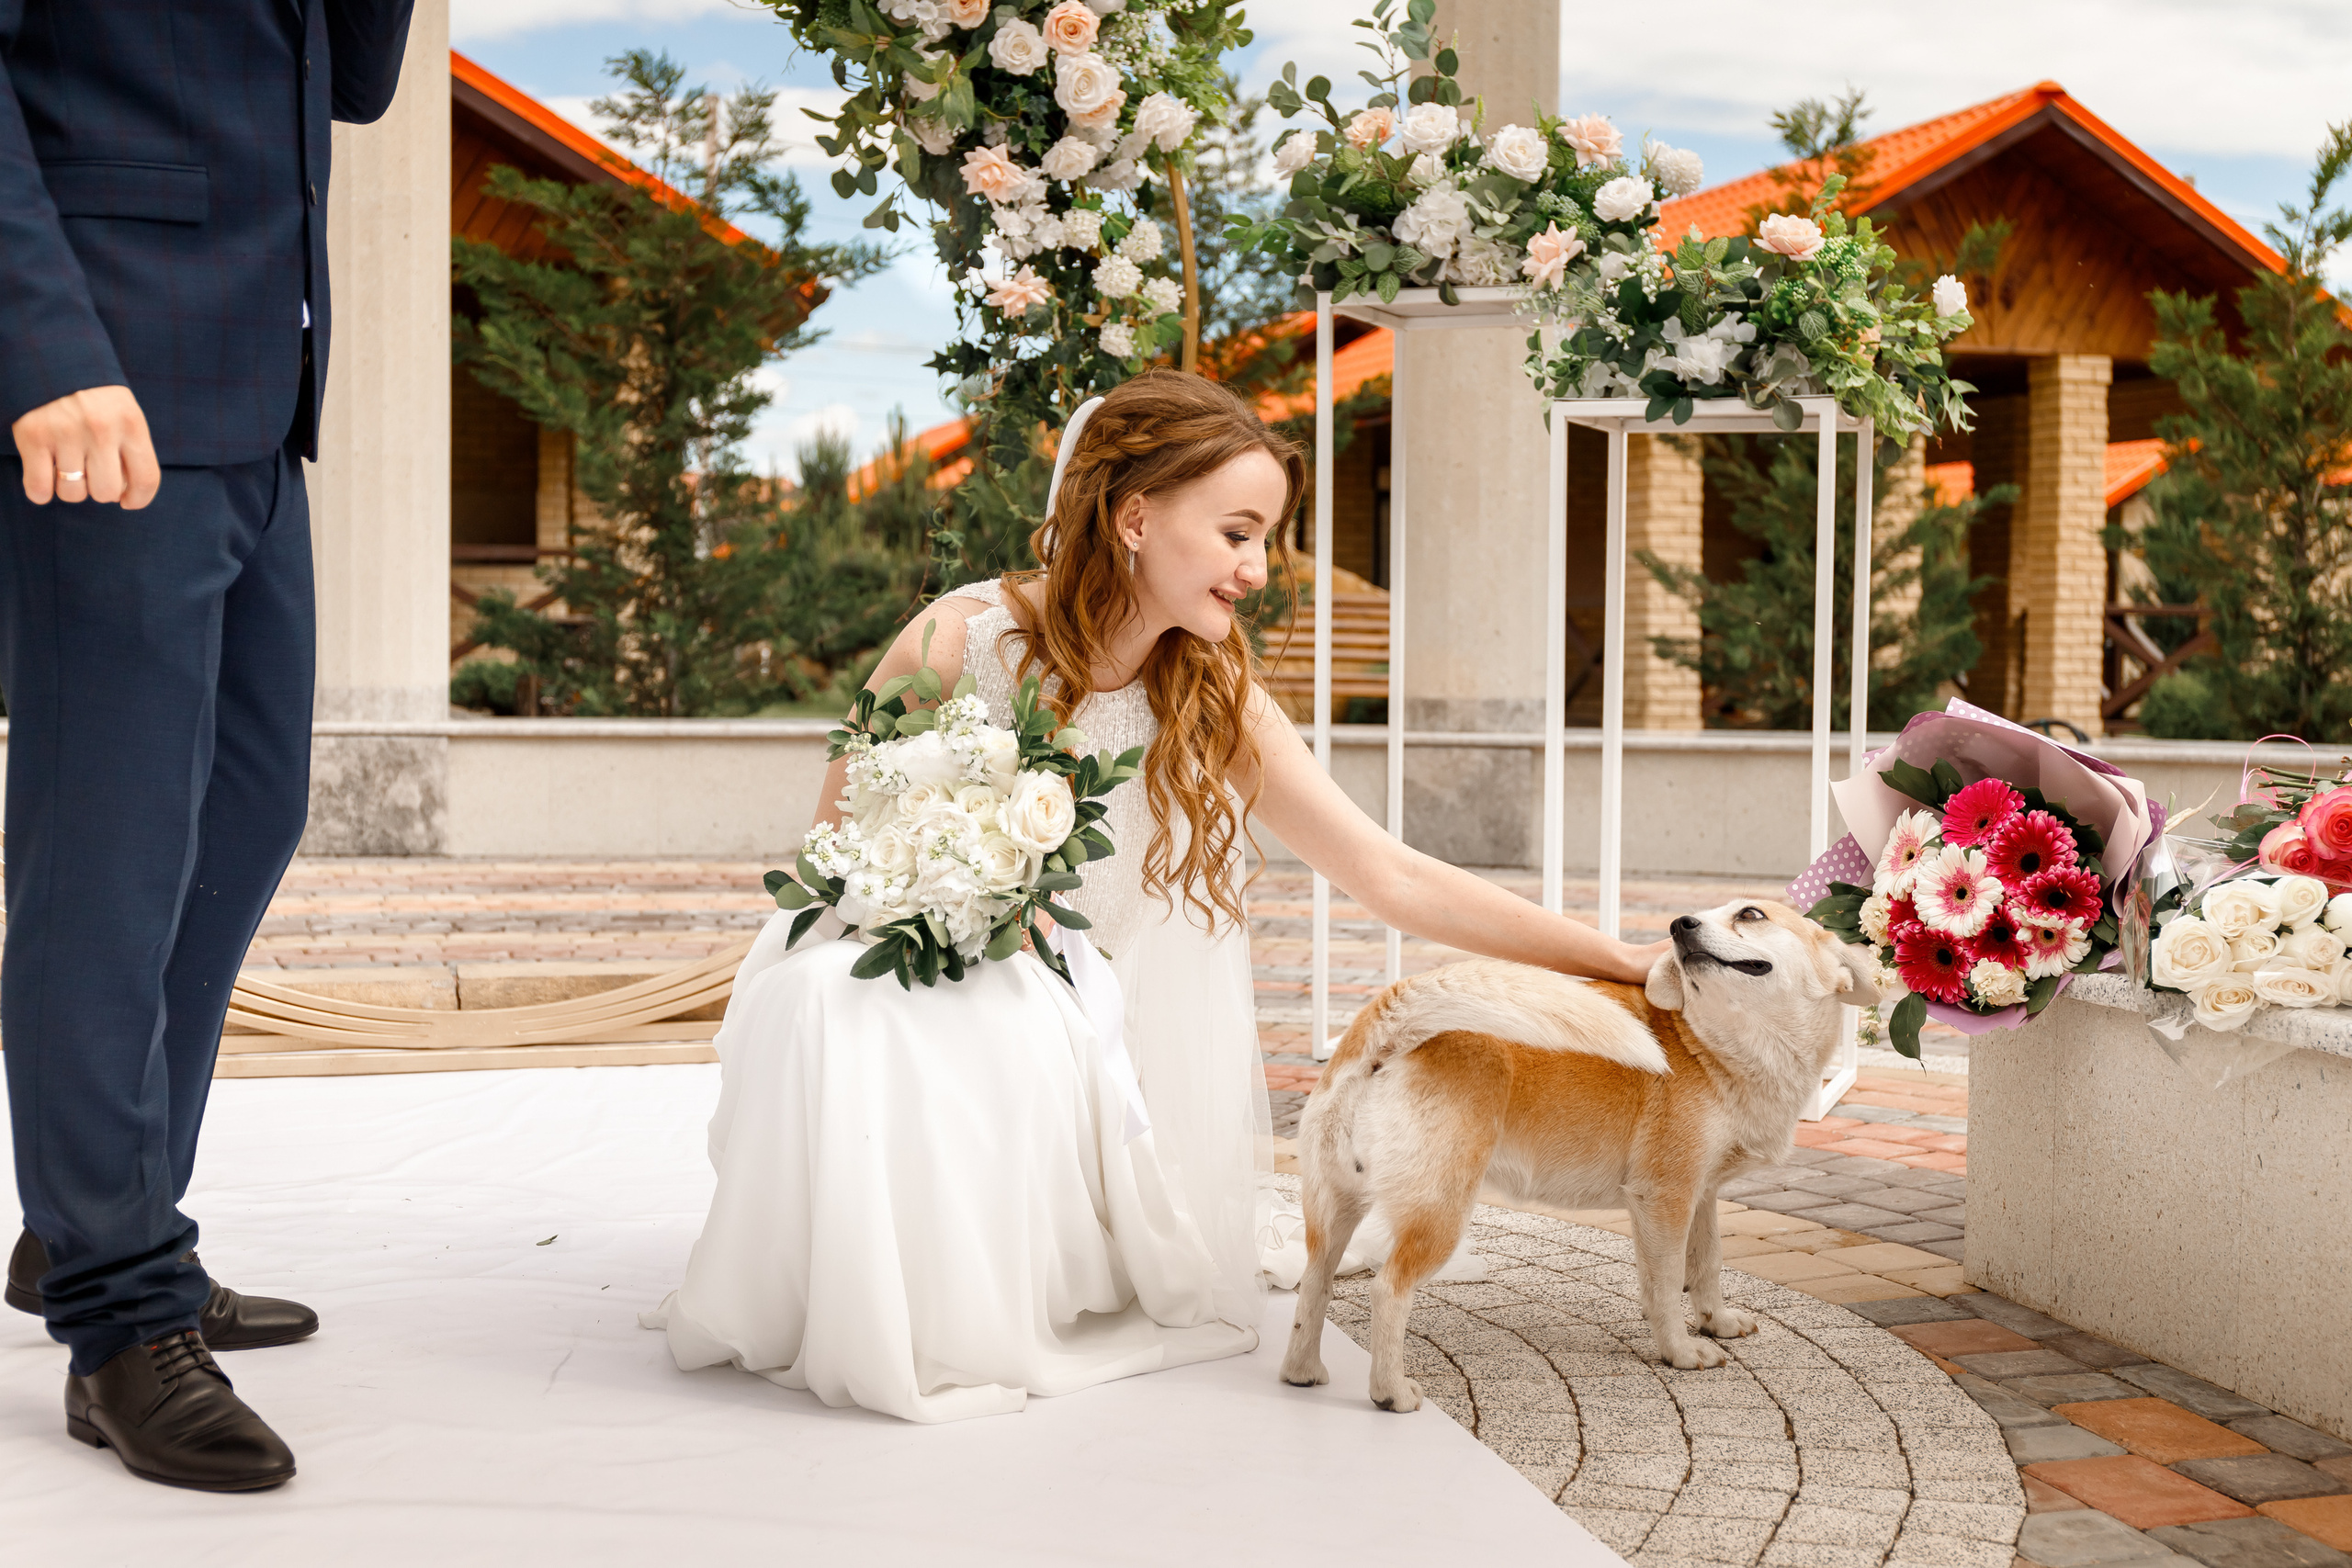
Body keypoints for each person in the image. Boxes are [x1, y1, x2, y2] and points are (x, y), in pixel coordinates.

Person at [648, 370, 1665, 1422]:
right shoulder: (956, 643)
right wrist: (954, 899)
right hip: (906, 949)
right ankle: (865, 1303)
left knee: (1004, 1021)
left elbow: (1387, 874)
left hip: (1077, 1017)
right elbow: (831, 851)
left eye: (1264, 538)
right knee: (834, 1004)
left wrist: (1614, 960)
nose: (1257, 570)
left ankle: (963, 1312)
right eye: (1236, 533)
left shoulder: (1211, 690)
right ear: (1134, 518)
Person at [0, 0, 418, 1492]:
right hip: (101, 374)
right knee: (109, 845)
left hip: (254, 387)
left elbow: (354, 82)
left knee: (245, 811)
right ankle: (124, 1305)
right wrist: (38, 341)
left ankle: (91, 1222)